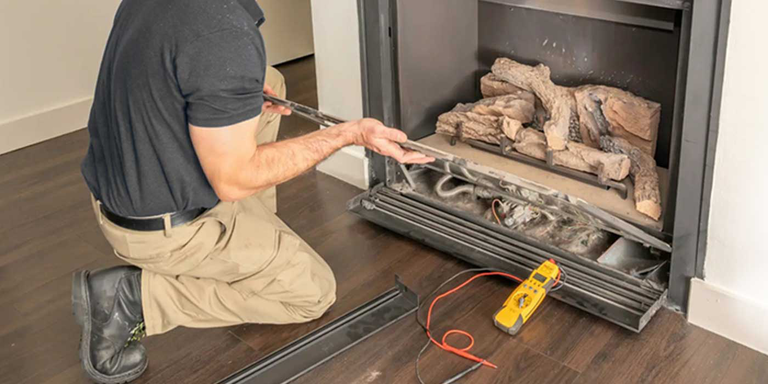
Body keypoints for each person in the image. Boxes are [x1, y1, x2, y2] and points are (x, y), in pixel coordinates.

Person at [71, 0, 433, 382]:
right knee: (312, 293)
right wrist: (349, 134)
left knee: (269, 80)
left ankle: (250, 239)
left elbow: (170, 69)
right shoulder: (223, 35)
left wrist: (227, 94)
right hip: (162, 230)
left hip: (119, 184)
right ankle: (133, 299)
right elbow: (232, 179)